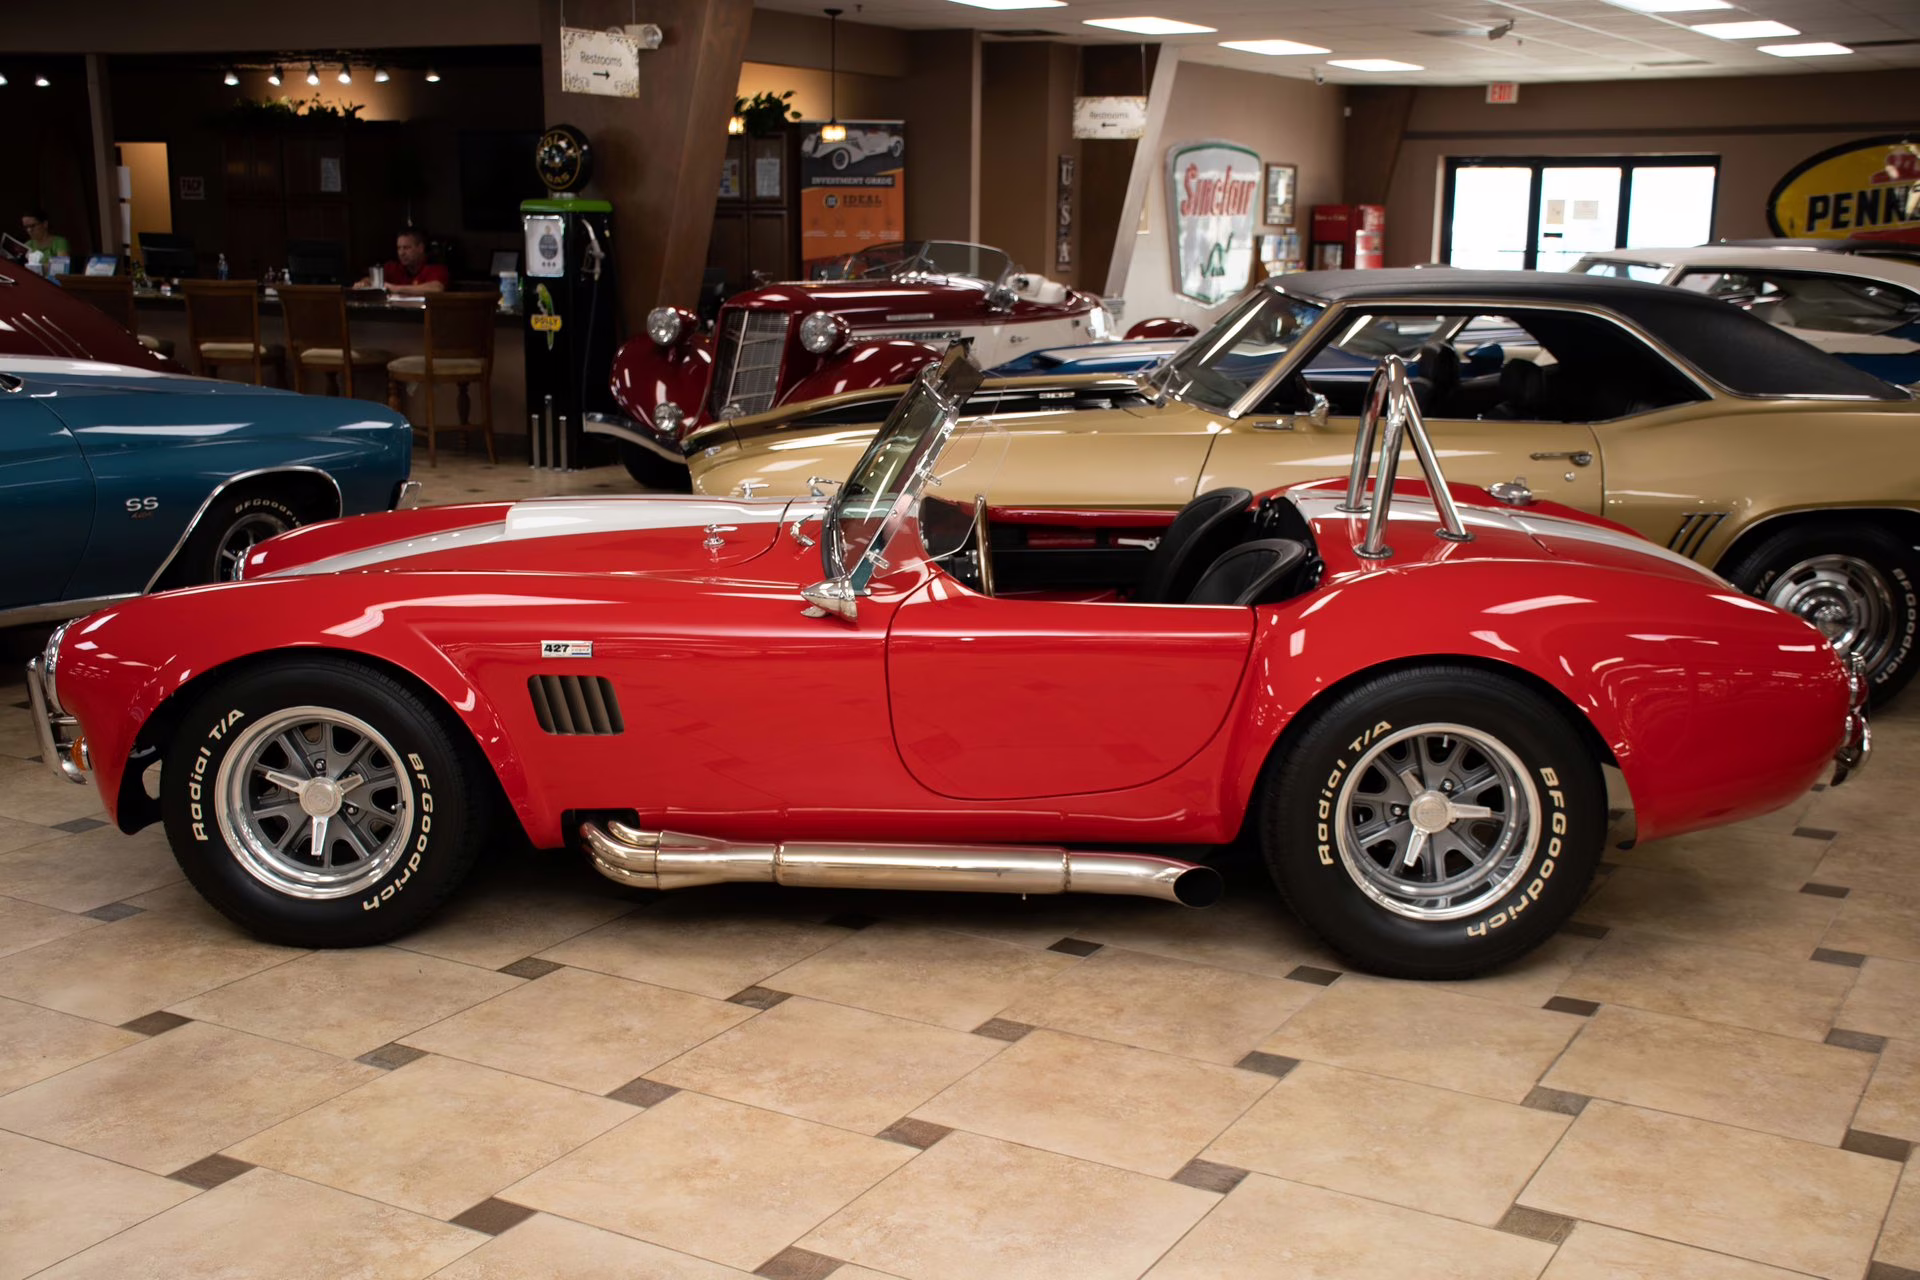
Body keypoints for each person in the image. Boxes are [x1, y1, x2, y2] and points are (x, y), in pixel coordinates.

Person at [359, 226, 448, 295]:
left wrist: (396, 289)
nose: (401, 253)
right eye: (399, 248)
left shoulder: (436, 267)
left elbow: (437, 289)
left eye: (406, 248)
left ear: (421, 248)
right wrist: (364, 283)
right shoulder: (392, 267)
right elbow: (372, 280)